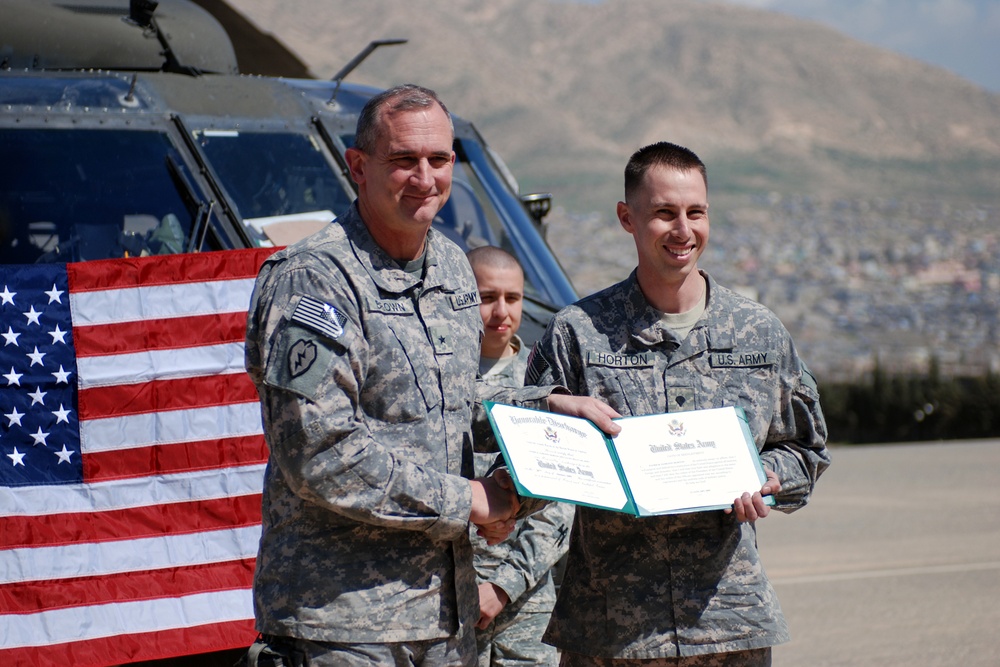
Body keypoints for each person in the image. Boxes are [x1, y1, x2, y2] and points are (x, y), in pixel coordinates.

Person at [243, 84, 617, 667]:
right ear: (358, 167)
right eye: (403, 160)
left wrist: (544, 410)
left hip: (445, 617)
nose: (425, 177)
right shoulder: (313, 281)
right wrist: (469, 500)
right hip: (342, 624)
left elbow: (447, 409)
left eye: (439, 160)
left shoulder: (450, 267)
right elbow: (317, 452)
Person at [524, 141, 831, 666]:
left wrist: (768, 479)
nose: (683, 230)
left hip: (728, 624)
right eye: (664, 213)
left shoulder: (758, 332)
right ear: (627, 217)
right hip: (611, 631)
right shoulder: (578, 332)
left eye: (696, 212)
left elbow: (806, 448)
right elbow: (515, 439)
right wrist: (554, 410)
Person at [467, 246, 574, 667]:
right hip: (448, 599)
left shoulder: (545, 384)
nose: (501, 311)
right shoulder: (438, 383)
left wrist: (503, 586)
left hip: (526, 607)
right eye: (487, 297)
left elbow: (561, 503)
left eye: (512, 298)